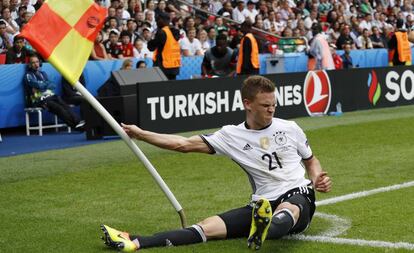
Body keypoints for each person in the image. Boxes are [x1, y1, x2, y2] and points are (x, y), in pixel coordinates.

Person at [101, 75, 332, 252]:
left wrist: (316, 178)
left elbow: (311, 161)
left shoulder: (290, 128)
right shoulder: (231, 135)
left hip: (298, 194)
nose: (271, 109)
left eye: (273, 104)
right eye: (265, 105)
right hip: (261, 202)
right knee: (208, 227)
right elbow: (183, 144)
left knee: (287, 210)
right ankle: (136, 242)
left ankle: (266, 228)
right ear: (248, 104)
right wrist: (141, 134)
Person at [25, 54, 84, 130]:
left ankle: (77, 122)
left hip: (50, 97)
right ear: (30, 65)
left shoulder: (43, 74)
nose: (36, 64)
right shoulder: (28, 75)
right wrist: (44, 84)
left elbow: (52, 85)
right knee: (58, 108)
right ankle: (75, 125)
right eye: (33, 62)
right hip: (39, 100)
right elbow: (38, 85)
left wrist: (42, 84)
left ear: (40, 63)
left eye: (37, 62)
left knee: (64, 105)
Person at [148, 11, 181, 80]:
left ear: (163, 20)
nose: (156, 22)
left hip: (163, 66)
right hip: (174, 66)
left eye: (157, 20)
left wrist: (150, 39)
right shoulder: (175, 30)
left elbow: (151, 47)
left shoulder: (162, 32)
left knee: (162, 88)